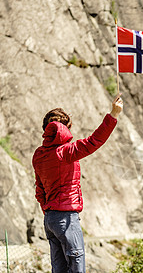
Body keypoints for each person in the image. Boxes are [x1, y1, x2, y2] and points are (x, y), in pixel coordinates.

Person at [32, 94, 123, 273]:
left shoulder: (39, 155)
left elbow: (39, 191)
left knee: (59, 269)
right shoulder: (65, 152)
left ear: (45, 129)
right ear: (66, 129)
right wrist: (113, 115)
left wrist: (49, 210)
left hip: (50, 219)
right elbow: (94, 141)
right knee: (77, 265)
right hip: (66, 218)